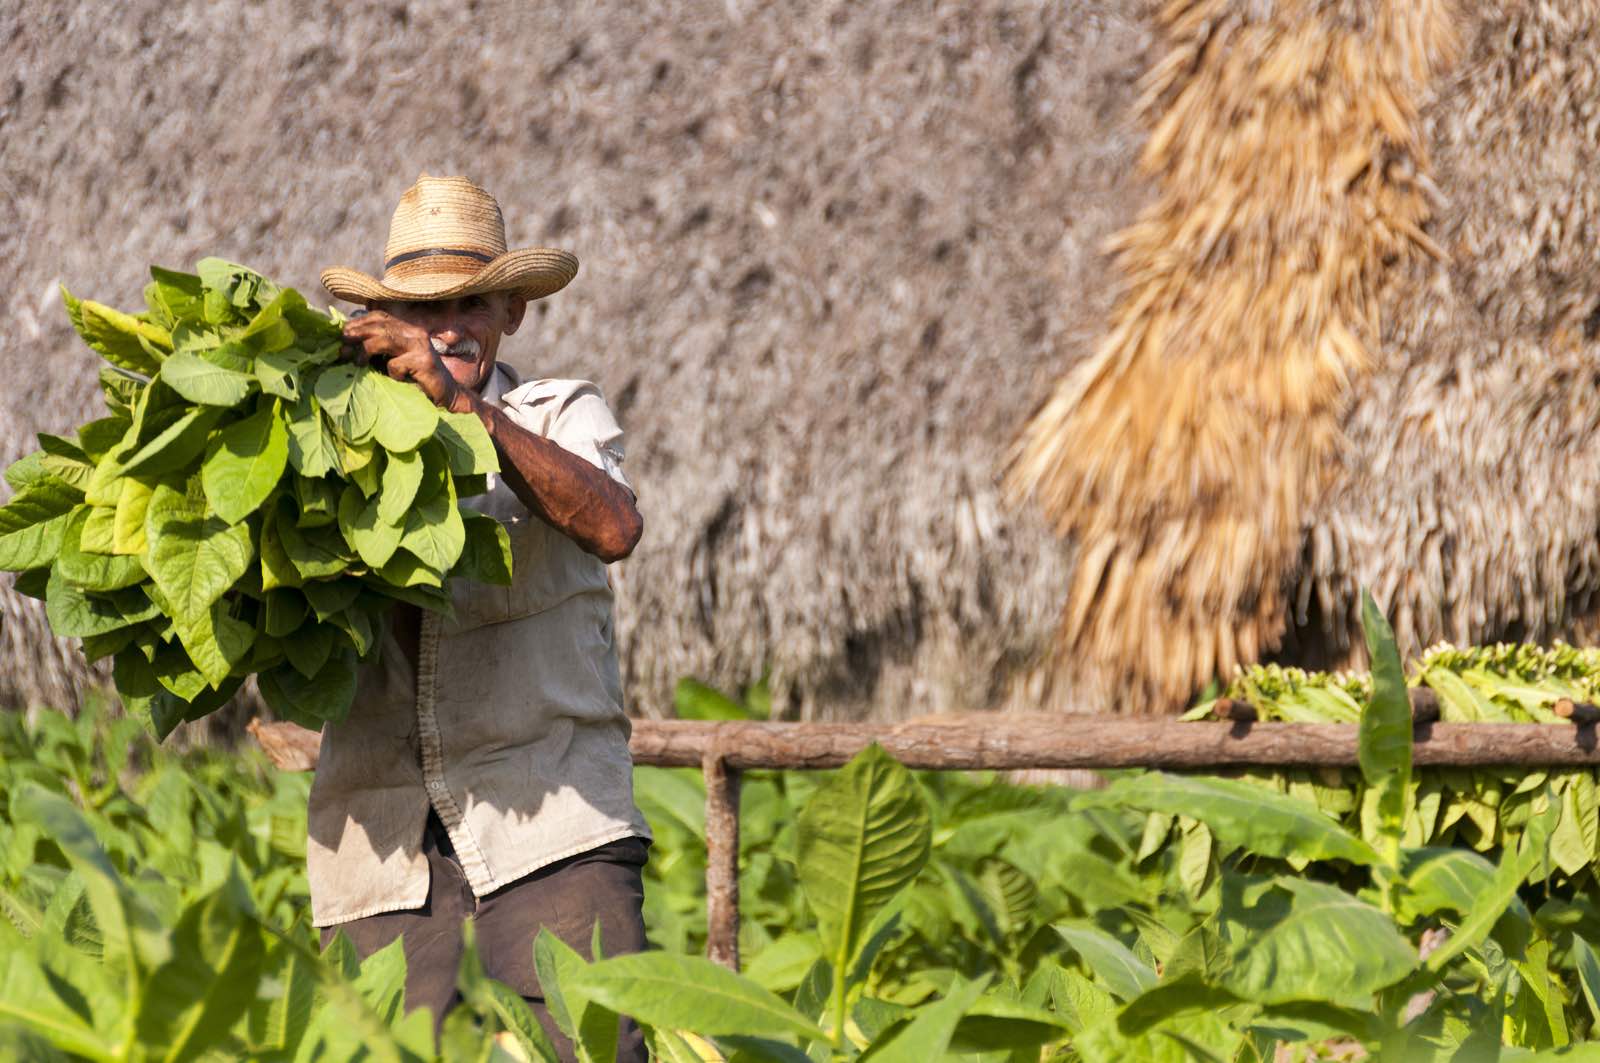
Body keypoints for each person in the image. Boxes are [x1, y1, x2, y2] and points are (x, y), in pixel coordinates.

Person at [310, 173, 651, 1060]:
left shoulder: (556, 414)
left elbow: (614, 525)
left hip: (554, 830)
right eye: (423, 311)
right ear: (385, 322)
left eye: (470, 303)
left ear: (513, 313)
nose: (449, 327)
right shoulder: (326, 440)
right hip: (380, 850)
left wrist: (462, 408)